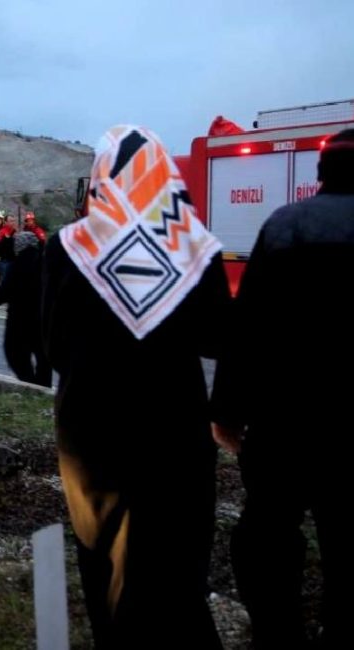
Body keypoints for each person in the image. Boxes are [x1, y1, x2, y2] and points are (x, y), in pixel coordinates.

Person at [42, 125, 229, 648]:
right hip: (175, 432)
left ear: (102, 177)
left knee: (103, 562)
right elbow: (217, 338)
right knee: (177, 570)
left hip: (90, 432)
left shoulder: (67, 248)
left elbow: (54, 347)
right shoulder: (197, 248)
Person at [210, 128, 354, 649]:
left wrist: (227, 411)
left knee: (268, 532)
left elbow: (247, 328)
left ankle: (277, 633)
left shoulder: (284, 226)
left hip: (285, 420)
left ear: (320, 173)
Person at [0, 231, 50, 386]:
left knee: (14, 351)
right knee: (42, 353)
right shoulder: (46, 261)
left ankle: (29, 383)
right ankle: (43, 385)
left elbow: (7, 287)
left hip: (20, 316)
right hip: (43, 316)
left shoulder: (19, 263)